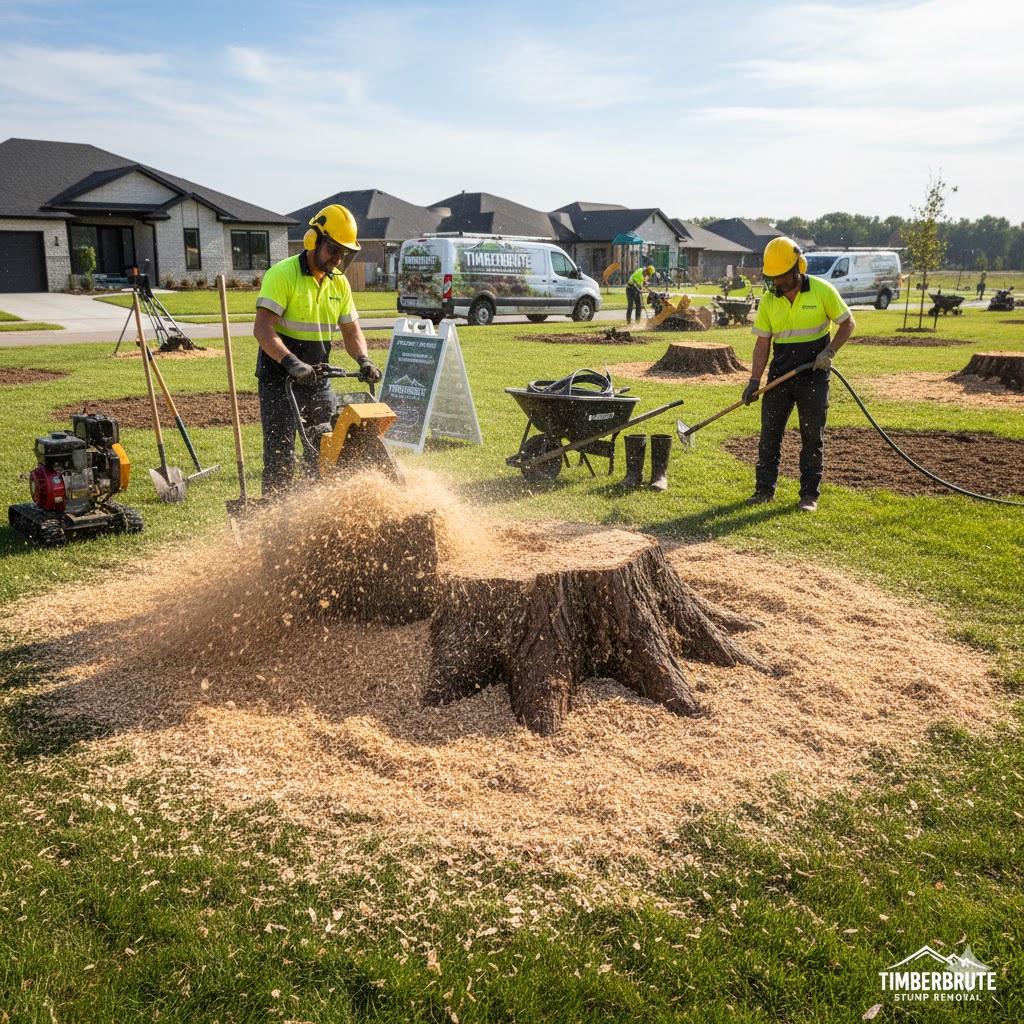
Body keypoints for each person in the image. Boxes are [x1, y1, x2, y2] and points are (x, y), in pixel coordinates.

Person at [254, 204, 382, 495]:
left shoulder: (340, 284)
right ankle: (274, 513)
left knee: (326, 450)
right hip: (280, 381)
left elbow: (351, 331)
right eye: (333, 250)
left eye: (343, 253)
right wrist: (291, 362)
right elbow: (262, 329)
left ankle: (317, 512)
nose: (337, 259)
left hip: (318, 380)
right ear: (313, 240)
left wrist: (364, 360)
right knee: (280, 455)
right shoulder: (282, 274)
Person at [741, 237, 856, 513]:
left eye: (780, 277)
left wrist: (829, 352)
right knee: (769, 436)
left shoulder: (822, 290)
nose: (775, 283)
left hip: (813, 376)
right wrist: (754, 381)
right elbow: (762, 344)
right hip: (780, 375)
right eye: (772, 278)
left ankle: (809, 496)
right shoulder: (769, 300)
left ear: (796, 269)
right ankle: (764, 490)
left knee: (812, 438)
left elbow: (848, 323)